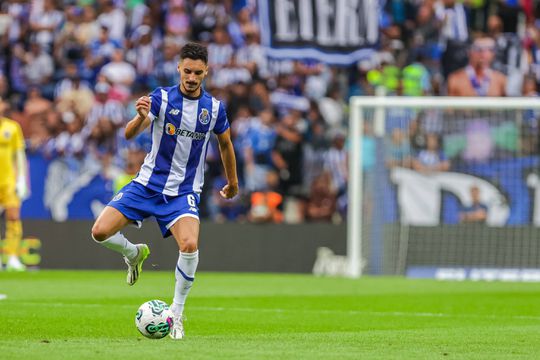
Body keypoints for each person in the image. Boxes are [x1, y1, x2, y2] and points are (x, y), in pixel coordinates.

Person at [90, 43, 238, 340]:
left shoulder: (214, 109)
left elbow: (225, 144)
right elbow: (130, 134)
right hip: (147, 184)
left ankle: (177, 314)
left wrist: (233, 183)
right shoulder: (162, 97)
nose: (192, 77)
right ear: (179, 69)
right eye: (187, 71)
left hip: (183, 192)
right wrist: (140, 115)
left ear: (206, 71)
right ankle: (133, 253)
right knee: (99, 232)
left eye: (198, 72)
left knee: (189, 245)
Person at [0, 98, 29, 271]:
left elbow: (19, 155)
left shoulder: (12, 127)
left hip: (9, 181)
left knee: (13, 218)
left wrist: (22, 180)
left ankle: (12, 257)